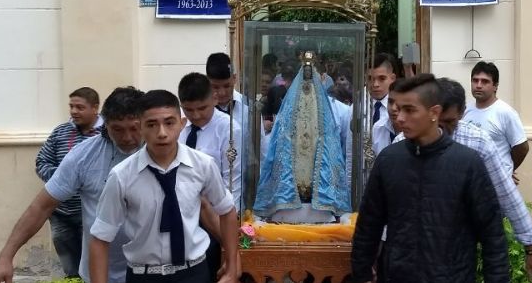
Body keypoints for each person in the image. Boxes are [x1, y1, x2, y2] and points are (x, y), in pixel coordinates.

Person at [351, 74, 509, 283]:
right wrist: (361, 273)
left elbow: (492, 236)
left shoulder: (467, 163)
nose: (399, 118)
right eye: (398, 108)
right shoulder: (389, 161)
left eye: (409, 110)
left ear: (434, 112)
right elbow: (368, 227)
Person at [393, 78, 532, 283]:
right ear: (432, 112)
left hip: (459, 255)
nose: (442, 131)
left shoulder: (478, 143)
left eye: (450, 123)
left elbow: (507, 194)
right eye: (438, 123)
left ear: (462, 113)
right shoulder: (403, 144)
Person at [0, 87, 145, 283]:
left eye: (135, 128)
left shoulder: (159, 154)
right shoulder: (84, 155)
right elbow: (41, 206)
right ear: (105, 125)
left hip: (152, 274)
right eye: (118, 129)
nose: (127, 137)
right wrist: (6, 256)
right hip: (99, 275)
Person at [89, 90, 239, 283]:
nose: (161, 133)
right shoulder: (122, 175)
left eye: (169, 123)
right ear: (140, 128)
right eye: (151, 125)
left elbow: (226, 210)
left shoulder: (203, 165)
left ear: (182, 124)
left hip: (194, 273)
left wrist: (232, 267)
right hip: (143, 275)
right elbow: (100, 238)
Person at [254, 53, 350, 222]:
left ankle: (317, 196)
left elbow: (327, 132)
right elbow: (283, 130)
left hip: (314, 141)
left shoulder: (321, 102)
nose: (307, 77)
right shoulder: (292, 101)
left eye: (309, 72)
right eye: (304, 73)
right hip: (297, 143)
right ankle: (291, 196)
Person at [177, 72, 241, 283]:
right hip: (179, 215)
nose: (195, 115)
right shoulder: (176, 127)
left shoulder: (229, 129)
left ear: (214, 98)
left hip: (214, 218)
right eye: (189, 109)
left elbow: (233, 181)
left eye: (202, 108)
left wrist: (228, 231)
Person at [35, 87, 103, 278]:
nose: (74, 111)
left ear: (95, 108)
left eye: (80, 107)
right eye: (71, 106)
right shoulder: (60, 132)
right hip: (60, 213)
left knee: (91, 265)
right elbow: (41, 162)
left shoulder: (105, 135)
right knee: (70, 269)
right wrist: (63, 177)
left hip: (89, 213)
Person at [463, 61, 529, 179]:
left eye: (485, 81)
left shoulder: (505, 112)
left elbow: (522, 148)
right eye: (475, 80)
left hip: (496, 185)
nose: (478, 85)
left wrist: (506, 170)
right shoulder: (465, 110)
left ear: (495, 86)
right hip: (471, 183)